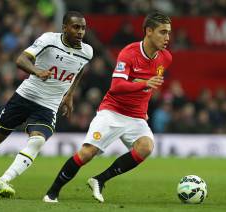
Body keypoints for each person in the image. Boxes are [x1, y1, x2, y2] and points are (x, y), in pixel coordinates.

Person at [43, 11, 172, 203]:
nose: (167, 37)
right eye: (163, 32)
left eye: (169, 32)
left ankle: (99, 180)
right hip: (112, 112)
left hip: (136, 117)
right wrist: (144, 83)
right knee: (87, 153)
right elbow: (117, 87)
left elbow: (149, 87)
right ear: (149, 31)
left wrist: (143, 105)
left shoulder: (166, 58)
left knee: (146, 147)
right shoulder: (129, 53)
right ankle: (52, 192)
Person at [0, 11, 93, 198]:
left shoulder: (87, 51)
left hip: (49, 105)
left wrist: (70, 94)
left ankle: (3, 181)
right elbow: (21, 59)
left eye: (83, 28)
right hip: (26, 96)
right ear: (65, 28)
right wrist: (37, 71)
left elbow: (80, 69)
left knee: (37, 141)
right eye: (76, 27)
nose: (80, 32)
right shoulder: (49, 40)